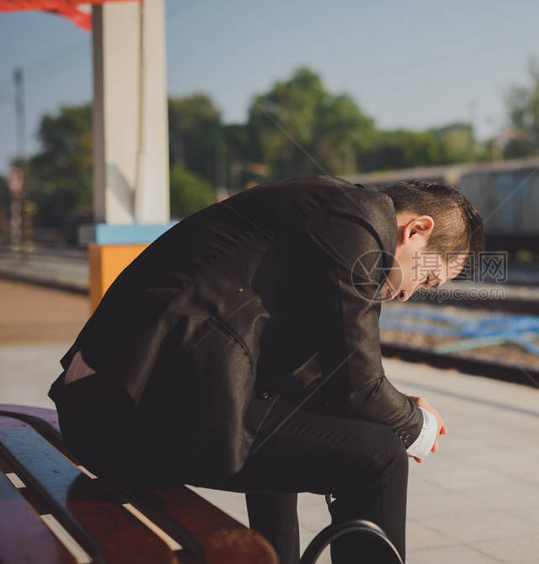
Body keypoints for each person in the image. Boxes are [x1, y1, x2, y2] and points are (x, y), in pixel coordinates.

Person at [47, 176, 484, 563]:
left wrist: (396, 406)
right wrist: (415, 424)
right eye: (426, 278)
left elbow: (325, 379)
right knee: (379, 455)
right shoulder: (363, 216)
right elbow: (356, 383)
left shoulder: (327, 209)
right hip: (125, 412)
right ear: (416, 230)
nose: (409, 295)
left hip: (110, 404)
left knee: (286, 410)